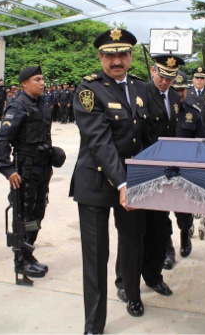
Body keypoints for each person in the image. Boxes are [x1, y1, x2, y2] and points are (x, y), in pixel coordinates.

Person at [70, 28, 151, 333]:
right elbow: (99, 141)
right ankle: (94, 324)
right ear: (100, 57)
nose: (116, 60)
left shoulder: (141, 88)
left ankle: (132, 294)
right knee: (95, 255)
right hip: (97, 183)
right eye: (110, 55)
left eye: (122, 54)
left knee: (132, 244)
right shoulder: (89, 90)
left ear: (130, 56)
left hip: (133, 182)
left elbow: (147, 138)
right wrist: (122, 184)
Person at [115, 54, 185, 301]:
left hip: (164, 172)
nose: (166, 81)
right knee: (133, 232)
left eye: (171, 77)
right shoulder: (139, 91)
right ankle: (124, 281)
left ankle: (154, 276)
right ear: (153, 71)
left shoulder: (176, 97)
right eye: (162, 75)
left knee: (158, 228)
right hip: (142, 169)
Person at [0, 65, 66, 281]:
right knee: (24, 214)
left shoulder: (41, 105)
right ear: (24, 83)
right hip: (25, 170)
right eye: (37, 79)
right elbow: (2, 140)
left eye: (42, 79)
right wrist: (7, 169)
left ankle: (28, 252)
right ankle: (20, 260)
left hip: (42, 168)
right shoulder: (17, 107)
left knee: (38, 211)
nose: (42, 83)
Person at [163, 70, 205, 269]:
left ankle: (185, 235)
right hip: (162, 170)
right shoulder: (160, 109)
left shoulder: (193, 113)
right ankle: (168, 248)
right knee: (161, 213)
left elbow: (199, 145)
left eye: (182, 89)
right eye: (175, 89)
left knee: (184, 213)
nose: (180, 93)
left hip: (184, 171)